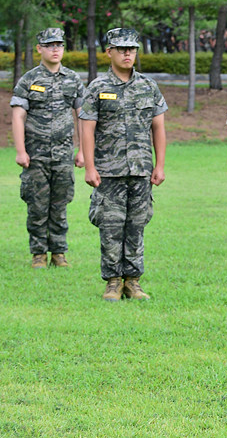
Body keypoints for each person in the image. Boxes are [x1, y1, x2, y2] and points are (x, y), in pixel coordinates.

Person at [79, 28, 167, 302]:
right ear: (109, 52)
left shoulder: (148, 86)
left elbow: (158, 127)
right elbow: (87, 129)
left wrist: (160, 165)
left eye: (132, 49)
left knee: (137, 225)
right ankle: (113, 281)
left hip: (140, 169)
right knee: (110, 225)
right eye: (122, 49)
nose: (128, 53)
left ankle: (133, 281)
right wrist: (90, 167)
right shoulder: (97, 87)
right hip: (109, 171)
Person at [11, 27, 85, 269]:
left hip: (63, 155)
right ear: (39, 49)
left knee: (60, 204)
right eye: (50, 45)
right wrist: (21, 151)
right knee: (37, 204)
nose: (55, 49)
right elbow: (18, 116)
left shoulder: (73, 79)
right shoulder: (29, 80)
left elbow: (82, 116)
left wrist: (82, 150)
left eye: (59, 45)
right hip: (36, 156)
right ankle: (38, 253)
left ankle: (59, 253)